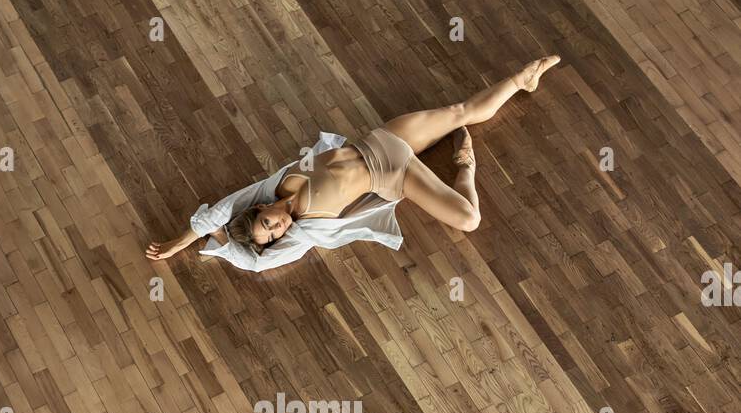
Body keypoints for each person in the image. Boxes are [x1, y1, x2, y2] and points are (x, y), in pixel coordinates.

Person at [146, 57, 560, 271]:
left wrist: (181, 240)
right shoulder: (306, 230)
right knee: (468, 219)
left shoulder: (277, 183)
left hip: (381, 140)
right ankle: (465, 164)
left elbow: (222, 208)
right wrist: (217, 247)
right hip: (393, 172)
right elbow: (257, 261)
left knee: (460, 110)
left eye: (267, 224)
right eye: (274, 235)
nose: (278, 229)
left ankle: (523, 79)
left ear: (260, 207)